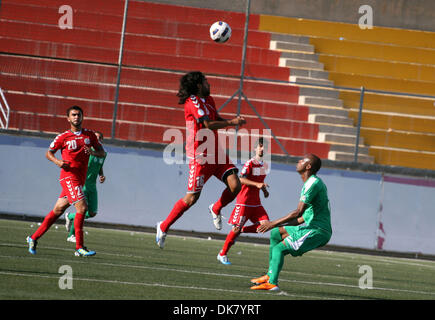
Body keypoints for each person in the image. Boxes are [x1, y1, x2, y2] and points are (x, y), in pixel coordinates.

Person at [156, 71, 247, 249]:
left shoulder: (209, 99)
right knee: (191, 198)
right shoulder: (193, 102)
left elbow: (215, 119)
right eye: (206, 81)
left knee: (235, 185)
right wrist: (232, 122)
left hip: (216, 152)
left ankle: (216, 208)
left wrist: (228, 121)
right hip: (200, 156)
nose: (209, 84)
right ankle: (164, 226)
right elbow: (207, 124)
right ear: (198, 85)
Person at [26, 106, 106, 257]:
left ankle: (33, 237)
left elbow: (102, 152)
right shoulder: (63, 137)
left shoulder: (89, 135)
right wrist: (58, 162)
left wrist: (93, 152)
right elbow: (48, 153)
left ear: (83, 117)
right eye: (73, 115)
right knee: (82, 208)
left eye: (79, 115)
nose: (76, 117)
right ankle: (79, 247)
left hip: (79, 180)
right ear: (68, 119)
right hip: (68, 177)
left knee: (58, 211)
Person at [250, 153, 332, 291]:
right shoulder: (312, 183)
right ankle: (270, 275)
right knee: (276, 233)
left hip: (318, 231)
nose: (299, 160)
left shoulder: (313, 183)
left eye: (302, 159)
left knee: (279, 248)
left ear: (308, 166)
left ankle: (273, 283)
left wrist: (272, 223)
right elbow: (301, 218)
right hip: (312, 227)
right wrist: (277, 226)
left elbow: (297, 212)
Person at [217, 137, 271, 265]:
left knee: (266, 225)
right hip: (244, 201)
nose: (262, 149)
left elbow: (259, 181)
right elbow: (241, 179)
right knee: (235, 229)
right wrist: (257, 185)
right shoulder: (250, 163)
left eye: (264, 147)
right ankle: (222, 254)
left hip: (256, 203)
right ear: (255, 148)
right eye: (260, 146)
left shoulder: (264, 165)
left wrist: (264, 190)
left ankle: (242, 230)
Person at [65, 131, 107, 242]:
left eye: (99, 138)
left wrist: (101, 175)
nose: (97, 139)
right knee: (82, 210)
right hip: (83, 184)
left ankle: (70, 216)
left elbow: (100, 165)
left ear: (101, 140)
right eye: (95, 137)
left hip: (93, 186)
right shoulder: (86, 150)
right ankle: (71, 235)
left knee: (92, 213)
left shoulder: (103, 153)